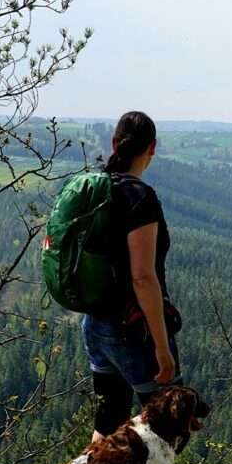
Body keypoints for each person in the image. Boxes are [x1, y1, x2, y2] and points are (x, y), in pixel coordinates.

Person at [85, 111, 180, 440]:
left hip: (96, 325)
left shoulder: (98, 190)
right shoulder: (140, 197)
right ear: (152, 148)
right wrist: (161, 346)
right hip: (133, 330)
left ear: (114, 143)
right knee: (169, 429)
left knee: (109, 421)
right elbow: (143, 277)